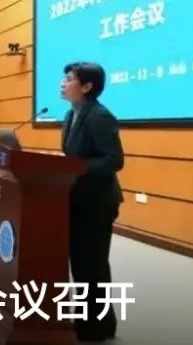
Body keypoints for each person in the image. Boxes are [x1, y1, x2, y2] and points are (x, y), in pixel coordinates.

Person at [59, 62, 124, 342]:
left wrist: (75, 168)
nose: (63, 83)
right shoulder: (70, 114)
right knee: (82, 265)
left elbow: (114, 160)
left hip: (97, 202)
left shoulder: (99, 116)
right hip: (78, 199)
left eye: (69, 79)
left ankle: (98, 328)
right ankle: (91, 324)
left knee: (92, 265)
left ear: (87, 86)